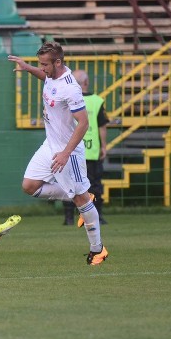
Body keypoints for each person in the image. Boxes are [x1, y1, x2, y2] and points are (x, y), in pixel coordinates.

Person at [8, 42, 108, 265]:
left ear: (58, 62)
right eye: (39, 64)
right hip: (50, 146)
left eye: (45, 64)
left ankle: (97, 248)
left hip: (68, 152)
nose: (42, 68)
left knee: (81, 199)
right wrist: (28, 68)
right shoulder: (51, 75)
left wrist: (65, 153)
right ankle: (82, 199)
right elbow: (46, 79)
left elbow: (83, 123)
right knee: (29, 186)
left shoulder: (71, 88)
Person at [62, 69, 109, 226]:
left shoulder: (68, 99)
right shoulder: (97, 101)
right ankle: (98, 216)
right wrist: (104, 146)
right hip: (91, 151)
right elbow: (102, 126)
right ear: (87, 82)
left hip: (72, 150)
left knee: (70, 184)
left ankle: (69, 218)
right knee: (94, 185)